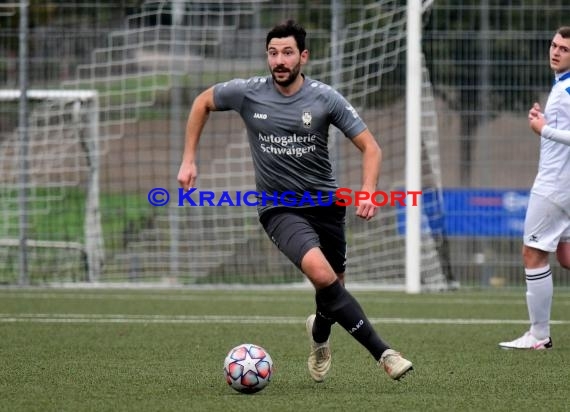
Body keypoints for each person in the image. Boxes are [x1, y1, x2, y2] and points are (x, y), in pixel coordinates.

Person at [177, 20, 413, 381]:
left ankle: (319, 333)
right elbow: (201, 102)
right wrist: (189, 159)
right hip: (279, 207)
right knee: (322, 274)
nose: (279, 61)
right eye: (273, 53)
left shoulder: (324, 98)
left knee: (333, 290)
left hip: (326, 205)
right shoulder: (247, 92)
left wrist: (368, 190)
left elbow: (371, 148)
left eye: (287, 53)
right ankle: (384, 353)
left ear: (303, 56)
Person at [499, 26, 570, 350]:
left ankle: (539, 335)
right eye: (554, 45)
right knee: (566, 255)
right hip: (561, 182)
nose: (555, 52)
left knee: (532, 252)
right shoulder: (562, 84)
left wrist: (543, 129)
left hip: (556, 185)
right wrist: (544, 122)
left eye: (564, 49)